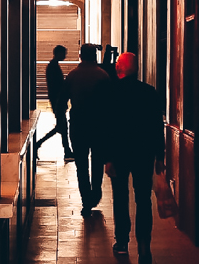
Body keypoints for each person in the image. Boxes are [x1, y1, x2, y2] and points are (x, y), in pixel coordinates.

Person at [102, 52, 165, 264]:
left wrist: (108, 158)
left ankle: (121, 241)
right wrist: (159, 156)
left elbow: (108, 127)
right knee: (143, 199)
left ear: (119, 68)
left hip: (119, 153)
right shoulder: (149, 92)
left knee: (120, 197)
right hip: (144, 153)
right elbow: (158, 127)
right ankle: (144, 245)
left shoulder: (111, 91)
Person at [64, 43, 110, 217]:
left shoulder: (73, 75)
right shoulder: (103, 76)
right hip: (99, 127)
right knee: (97, 162)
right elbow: (109, 104)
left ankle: (86, 201)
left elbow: (62, 100)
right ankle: (95, 194)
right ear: (95, 56)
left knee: (81, 165)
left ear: (80, 55)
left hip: (78, 126)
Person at [35, 45, 74, 161]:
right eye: (64, 53)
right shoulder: (53, 67)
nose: (65, 56)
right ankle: (66, 151)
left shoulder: (53, 66)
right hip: (58, 102)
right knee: (62, 128)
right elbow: (56, 87)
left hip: (57, 101)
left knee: (61, 128)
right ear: (58, 53)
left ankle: (67, 151)